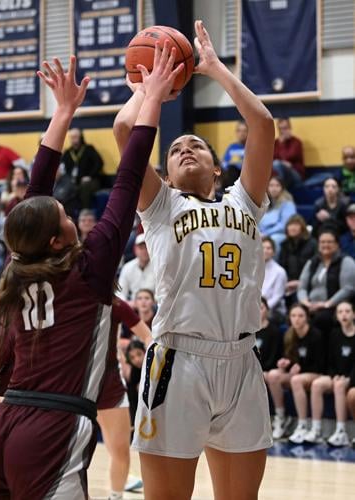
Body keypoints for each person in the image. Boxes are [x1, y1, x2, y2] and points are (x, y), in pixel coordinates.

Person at [0, 49, 181, 499]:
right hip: (51, 428)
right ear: (58, 239)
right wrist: (151, 97)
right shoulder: (90, 269)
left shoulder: (17, 268)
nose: (69, 210)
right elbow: (129, 175)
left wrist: (63, 113)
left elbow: (34, 195)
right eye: (64, 213)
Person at [113, 20, 274, 500]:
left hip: (242, 361)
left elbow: (262, 124)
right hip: (178, 362)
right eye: (176, 148)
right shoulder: (161, 206)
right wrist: (150, 90)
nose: (184, 148)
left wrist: (217, 70)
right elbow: (125, 129)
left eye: (195, 146)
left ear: (217, 166)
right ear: (164, 171)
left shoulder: (244, 201)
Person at [97, 296, 151, 500]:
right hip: (72, 381)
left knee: (120, 451)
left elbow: (147, 336)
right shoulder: (67, 296)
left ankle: (116, 495)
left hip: (109, 381)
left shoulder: (115, 303)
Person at [266, 304, 324, 441]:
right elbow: (289, 358)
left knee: (296, 380)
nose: (296, 319)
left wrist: (299, 368)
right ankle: (280, 418)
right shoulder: (289, 334)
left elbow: (320, 364)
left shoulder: (315, 335)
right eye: (293, 316)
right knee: (273, 375)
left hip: (316, 373)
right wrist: (284, 363)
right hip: (298, 374)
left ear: (307, 318)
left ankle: (302, 424)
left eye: (300, 316)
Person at [305, 301, 355, 447]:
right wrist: (334, 375)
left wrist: (349, 379)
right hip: (337, 376)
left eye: (347, 311)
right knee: (317, 384)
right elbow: (330, 361)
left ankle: (341, 431)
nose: (344, 315)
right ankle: (316, 429)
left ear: (353, 314)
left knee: (339, 386)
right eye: (340, 312)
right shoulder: (334, 334)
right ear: (336, 316)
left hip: (351, 378)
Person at [298, 228, 355, 337]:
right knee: (296, 315)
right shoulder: (312, 262)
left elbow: (348, 288)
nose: (325, 245)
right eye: (322, 242)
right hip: (310, 305)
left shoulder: (346, 261)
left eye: (329, 242)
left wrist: (326, 304)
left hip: (334, 306)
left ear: (337, 244)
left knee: (322, 319)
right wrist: (306, 302)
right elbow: (302, 287)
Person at [61, 127, 104, 209]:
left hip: (91, 180)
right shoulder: (67, 152)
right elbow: (63, 168)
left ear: (81, 137)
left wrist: (90, 176)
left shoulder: (89, 149)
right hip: (73, 181)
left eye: (76, 137)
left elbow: (99, 163)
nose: (74, 139)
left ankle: (85, 211)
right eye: (72, 137)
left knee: (85, 186)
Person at [278, 214, 317, 304]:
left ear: (302, 227)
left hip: (307, 284)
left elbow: (315, 267)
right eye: (290, 225)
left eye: (296, 225)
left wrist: (300, 282)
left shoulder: (312, 244)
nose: (292, 228)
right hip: (288, 284)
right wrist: (286, 282)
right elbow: (281, 266)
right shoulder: (284, 245)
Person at [259, 176, 296, 252]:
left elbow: (284, 225)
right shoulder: (264, 202)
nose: (274, 188)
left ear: (282, 188)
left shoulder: (288, 203)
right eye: (271, 185)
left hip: (280, 234)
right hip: (262, 234)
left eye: (277, 185)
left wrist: (266, 234)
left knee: (272, 241)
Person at [117, 233, 155, 305]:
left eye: (147, 247)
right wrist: (128, 304)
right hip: (133, 306)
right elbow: (120, 293)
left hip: (153, 306)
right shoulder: (127, 267)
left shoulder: (158, 266)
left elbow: (163, 292)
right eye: (141, 248)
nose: (144, 251)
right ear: (135, 249)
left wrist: (151, 303)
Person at [272, 117, 304, 189]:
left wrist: (283, 143)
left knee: (277, 164)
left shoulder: (296, 142)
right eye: (281, 129)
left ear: (290, 128)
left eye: (285, 128)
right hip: (279, 173)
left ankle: (281, 188)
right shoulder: (275, 143)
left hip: (295, 173)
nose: (283, 131)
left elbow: (289, 156)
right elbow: (271, 159)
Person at [261, 237, 287, 321]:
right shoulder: (251, 269)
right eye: (262, 247)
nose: (265, 250)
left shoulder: (279, 271)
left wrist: (263, 309)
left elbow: (278, 296)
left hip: (274, 310)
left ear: (273, 252)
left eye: (268, 248)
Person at [255, 297, 283, 378]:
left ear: (267, 309)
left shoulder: (274, 332)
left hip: (267, 370)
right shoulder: (247, 331)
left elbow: (274, 358)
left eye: (261, 308)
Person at [221, 120, 248, 187]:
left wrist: (237, 164)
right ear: (236, 132)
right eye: (239, 131)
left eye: (244, 131)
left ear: (248, 132)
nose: (242, 133)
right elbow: (224, 163)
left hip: (245, 174)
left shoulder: (251, 147)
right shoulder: (232, 147)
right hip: (232, 173)